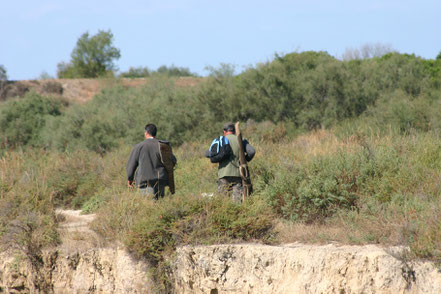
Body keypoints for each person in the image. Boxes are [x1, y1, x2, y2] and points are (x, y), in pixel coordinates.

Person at [206, 123, 255, 202]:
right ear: (235, 131)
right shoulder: (241, 140)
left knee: (222, 201)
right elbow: (252, 152)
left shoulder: (221, 141)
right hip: (238, 174)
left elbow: (209, 153)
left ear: (224, 131)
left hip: (223, 174)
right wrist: (245, 160)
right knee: (237, 201)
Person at [126, 123, 176, 199]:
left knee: (148, 204)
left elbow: (131, 165)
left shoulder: (139, 146)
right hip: (160, 181)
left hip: (145, 182)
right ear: (155, 133)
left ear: (146, 133)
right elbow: (173, 161)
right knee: (159, 204)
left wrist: (130, 179)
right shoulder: (162, 145)